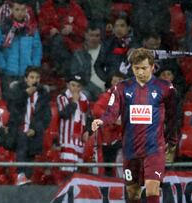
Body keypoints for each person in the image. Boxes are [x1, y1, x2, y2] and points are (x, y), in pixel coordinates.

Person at [91, 48, 178, 203]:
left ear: (152, 67)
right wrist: (102, 120)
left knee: (152, 189)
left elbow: (172, 117)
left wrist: (172, 142)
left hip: (154, 149)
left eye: (144, 68)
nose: (140, 72)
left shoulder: (165, 88)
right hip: (131, 149)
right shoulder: (122, 88)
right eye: (136, 68)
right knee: (133, 194)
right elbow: (112, 111)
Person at [6, 66, 51, 185]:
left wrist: (35, 129)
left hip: (34, 132)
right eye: (31, 77)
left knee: (31, 158)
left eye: (37, 77)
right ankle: (20, 175)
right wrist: (25, 94)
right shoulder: (17, 90)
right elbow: (12, 108)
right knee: (22, 143)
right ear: (26, 79)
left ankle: (25, 181)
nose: (34, 80)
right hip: (19, 130)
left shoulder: (43, 94)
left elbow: (46, 117)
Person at [57, 74, 91, 174]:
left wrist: (87, 131)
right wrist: (75, 102)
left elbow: (88, 117)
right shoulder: (62, 97)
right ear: (67, 85)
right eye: (73, 85)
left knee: (78, 172)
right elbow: (64, 114)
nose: (75, 88)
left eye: (78, 86)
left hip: (80, 141)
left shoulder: (85, 101)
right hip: (67, 140)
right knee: (67, 171)